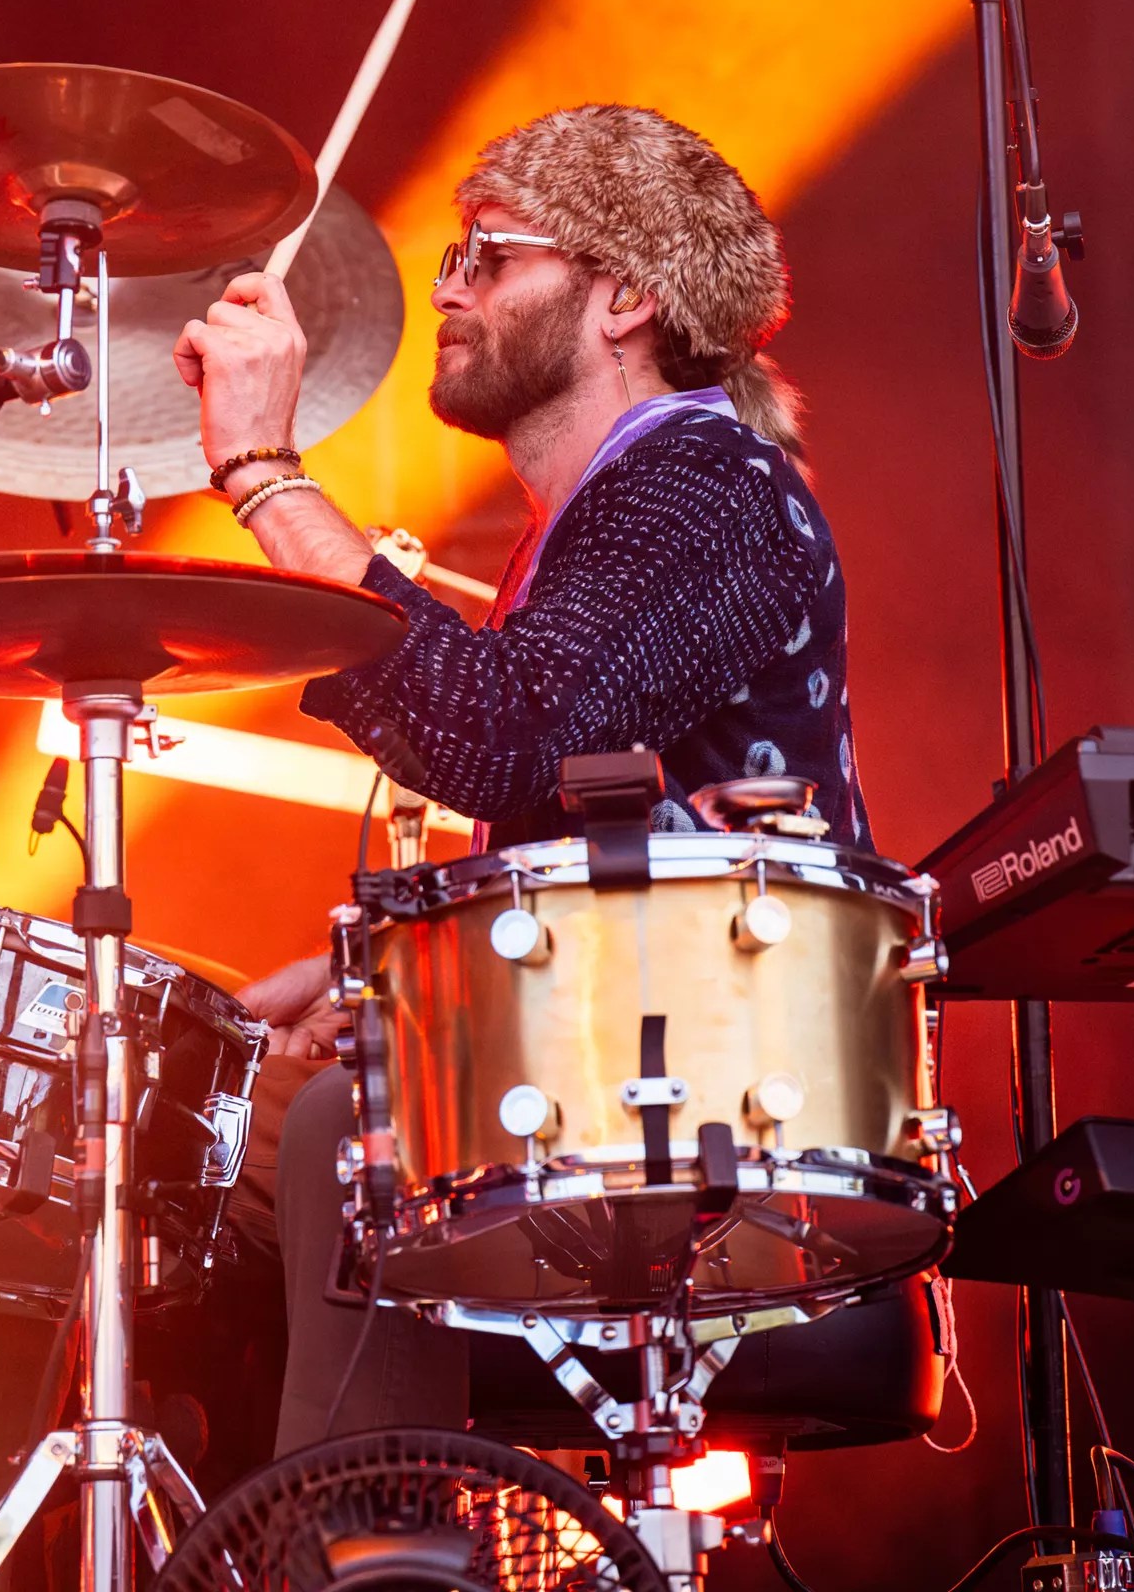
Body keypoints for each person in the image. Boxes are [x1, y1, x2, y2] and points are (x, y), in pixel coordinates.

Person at [171, 102, 865, 1447]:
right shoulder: (603, 515)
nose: (449, 292)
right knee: (168, 1143)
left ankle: (369, 1537)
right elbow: (573, 834)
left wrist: (261, 472)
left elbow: (500, 733)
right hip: (616, 1070)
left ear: (626, 299)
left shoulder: (706, 480)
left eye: (489, 259)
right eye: (455, 258)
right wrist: (377, 968)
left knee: (338, 1132)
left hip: (723, 1110)